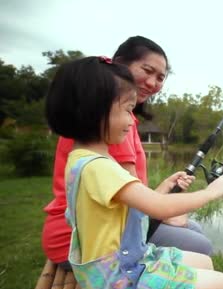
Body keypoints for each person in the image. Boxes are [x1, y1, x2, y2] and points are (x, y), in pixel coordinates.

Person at [44, 56, 223, 289]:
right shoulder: (100, 169)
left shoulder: (82, 159)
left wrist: (163, 187)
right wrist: (210, 192)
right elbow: (158, 208)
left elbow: (130, 205)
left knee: (204, 261)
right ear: (95, 113)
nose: (133, 121)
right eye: (127, 110)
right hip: (119, 282)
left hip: (115, 268)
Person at [42, 36, 212, 270]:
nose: (153, 82)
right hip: (87, 242)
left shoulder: (111, 120)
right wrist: (169, 210)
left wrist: (162, 193)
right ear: (120, 64)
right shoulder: (105, 125)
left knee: (193, 230)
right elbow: (136, 208)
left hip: (104, 226)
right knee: (200, 245)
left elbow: (127, 195)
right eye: (147, 70)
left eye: (161, 77)